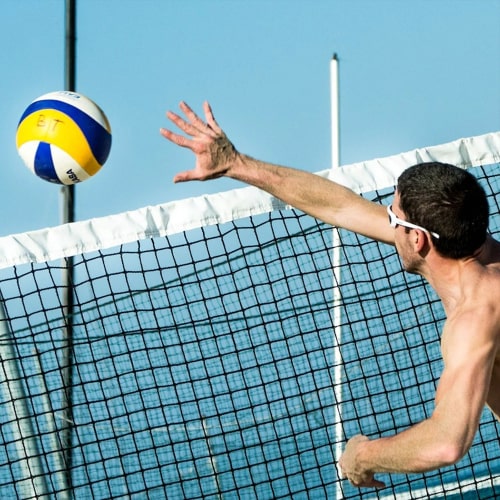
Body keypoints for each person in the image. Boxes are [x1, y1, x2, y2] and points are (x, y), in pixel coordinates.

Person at [160, 101, 500, 489]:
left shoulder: (476, 314)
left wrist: (363, 456)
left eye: (392, 215)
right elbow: (340, 206)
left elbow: (446, 444)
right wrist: (236, 163)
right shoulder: (472, 248)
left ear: (418, 239)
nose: (385, 219)